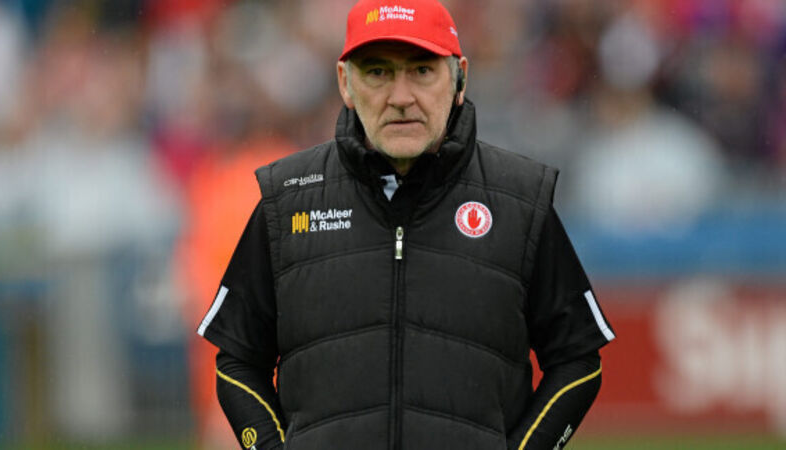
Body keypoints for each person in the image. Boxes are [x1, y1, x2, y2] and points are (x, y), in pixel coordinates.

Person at [197, 0, 615, 449]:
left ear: (459, 79)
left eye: (422, 71)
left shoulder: (522, 199)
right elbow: (237, 362)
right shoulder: (285, 199)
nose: (400, 97)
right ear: (345, 83)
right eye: (377, 72)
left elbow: (577, 360)